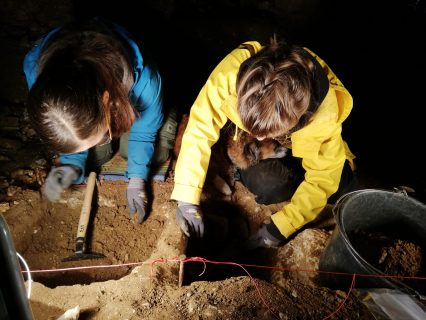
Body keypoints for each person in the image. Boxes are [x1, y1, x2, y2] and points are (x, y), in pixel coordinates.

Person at [171, 36, 357, 247]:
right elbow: (199, 129)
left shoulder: (324, 115)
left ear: (299, 117)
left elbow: (323, 178)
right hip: (266, 151)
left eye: (266, 132)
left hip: (307, 146)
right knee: (268, 187)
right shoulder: (229, 75)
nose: (259, 137)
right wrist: (186, 195)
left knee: (342, 187)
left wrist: (282, 227)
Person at [23, 17, 176, 224]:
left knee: (151, 155)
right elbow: (70, 124)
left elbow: (145, 131)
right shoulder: (36, 73)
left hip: (132, 97)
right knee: (97, 158)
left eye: (97, 135)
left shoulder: (144, 81)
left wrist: (137, 180)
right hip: (102, 97)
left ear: (106, 101)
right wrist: (71, 163)